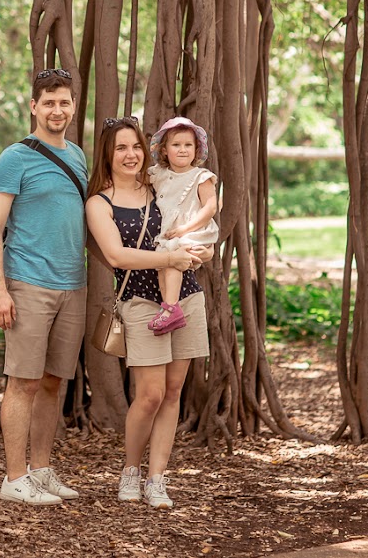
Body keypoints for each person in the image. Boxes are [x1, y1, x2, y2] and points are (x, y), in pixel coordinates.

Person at [85, 116, 213, 509]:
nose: (130, 155)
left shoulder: (161, 184)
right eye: (121, 148)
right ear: (107, 154)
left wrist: (199, 252)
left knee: (173, 392)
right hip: (140, 302)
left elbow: (193, 231)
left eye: (136, 146)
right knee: (150, 396)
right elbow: (116, 255)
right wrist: (171, 255)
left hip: (185, 296)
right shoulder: (99, 202)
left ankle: (157, 478)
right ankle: (130, 469)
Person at [0, 68, 88, 506]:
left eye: (63, 102)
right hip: (27, 283)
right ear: (33, 106)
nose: (56, 110)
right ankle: (13, 477)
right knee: (22, 382)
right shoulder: (16, 157)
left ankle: (41, 471)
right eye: (48, 102)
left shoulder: (80, 156)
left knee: (52, 383)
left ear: (73, 105)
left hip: (73, 286)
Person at [146, 116, 219, 336]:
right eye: (176, 145)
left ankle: (171, 307)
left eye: (188, 145)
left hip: (194, 230)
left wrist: (185, 229)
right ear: (165, 149)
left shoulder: (201, 176)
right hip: (171, 233)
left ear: (197, 150)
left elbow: (210, 208)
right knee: (164, 263)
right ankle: (168, 306)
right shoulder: (158, 174)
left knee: (173, 260)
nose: (182, 150)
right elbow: (137, 182)